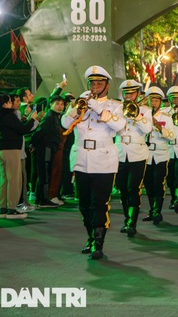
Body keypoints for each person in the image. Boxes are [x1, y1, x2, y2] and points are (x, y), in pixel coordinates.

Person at [61, 65, 126, 259]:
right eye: (92, 83)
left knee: (99, 203)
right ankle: (90, 236)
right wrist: (77, 108)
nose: (95, 87)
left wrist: (97, 107)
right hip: (81, 159)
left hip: (104, 160)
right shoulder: (81, 105)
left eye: (99, 83)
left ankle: (98, 242)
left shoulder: (115, 106)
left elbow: (119, 125)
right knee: (84, 203)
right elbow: (64, 124)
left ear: (106, 86)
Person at [114, 80, 152, 237]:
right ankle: (126, 218)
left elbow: (148, 128)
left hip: (138, 152)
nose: (128, 96)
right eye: (126, 93)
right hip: (120, 152)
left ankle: (132, 222)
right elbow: (114, 128)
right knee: (122, 188)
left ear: (138, 94)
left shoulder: (145, 110)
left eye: (131, 93)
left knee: (133, 187)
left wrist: (136, 115)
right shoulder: (117, 109)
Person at [0, 92, 38, 219]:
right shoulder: (8, 115)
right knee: (14, 180)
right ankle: (11, 209)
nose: (12, 103)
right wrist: (33, 119)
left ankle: (3, 208)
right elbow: (22, 130)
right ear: (5, 103)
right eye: (10, 102)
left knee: (4, 179)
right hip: (11, 150)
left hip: (0, 150)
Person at [142, 87, 174, 225]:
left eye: (156, 100)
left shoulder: (166, 117)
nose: (153, 103)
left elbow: (171, 136)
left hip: (160, 154)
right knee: (148, 183)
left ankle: (157, 211)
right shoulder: (141, 115)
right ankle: (151, 209)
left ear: (160, 102)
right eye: (151, 100)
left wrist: (160, 127)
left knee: (158, 183)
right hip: (146, 153)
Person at [31, 94, 66, 208]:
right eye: (57, 104)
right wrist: (34, 143)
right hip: (45, 147)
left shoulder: (55, 116)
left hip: (49, 147)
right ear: (51, 104)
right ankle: (43, 199)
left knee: (45, 173)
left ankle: (40, 198)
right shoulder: (50, 117)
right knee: (44, 174)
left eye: (62, 104)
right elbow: (39, 132)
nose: (60, 106)